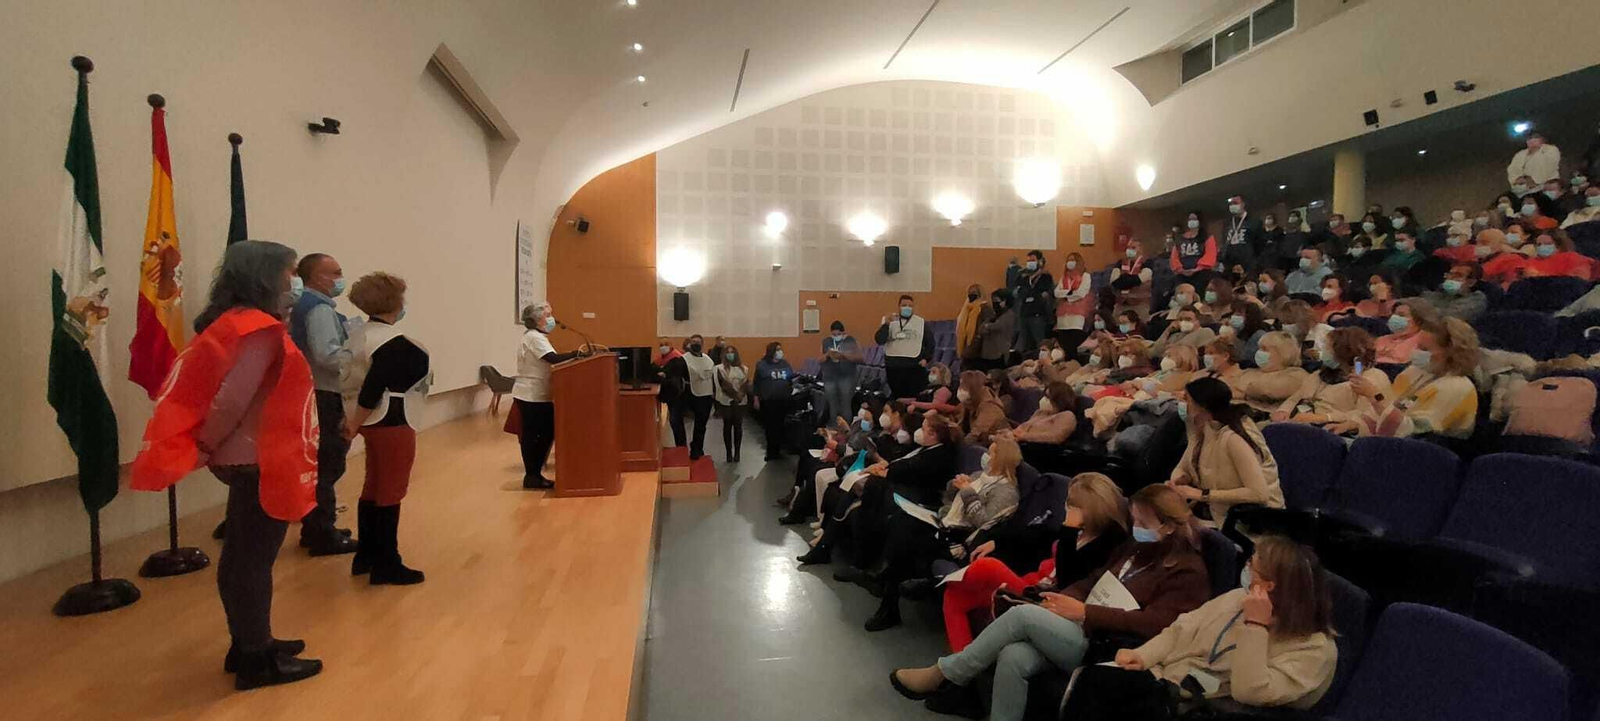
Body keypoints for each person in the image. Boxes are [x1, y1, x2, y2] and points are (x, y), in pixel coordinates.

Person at [132, 240, 322, 689]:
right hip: (256, 457)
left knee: (242, 555)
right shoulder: (256, 329)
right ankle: (256, 658)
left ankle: (250, 642)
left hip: (246, 454)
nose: (293, 281)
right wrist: (204, 444)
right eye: (289, 271)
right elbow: (230, 400)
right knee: (252, 561)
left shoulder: (232, 322)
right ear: (265, 275)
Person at [889, 485, 1211, 721]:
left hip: (1119, 648)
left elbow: (1157, 624)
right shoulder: (1136, 548)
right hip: (1086, 627)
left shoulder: (1187, 572)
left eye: (1143, 523)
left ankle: (945, 673)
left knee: (1022, 617)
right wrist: (1068, 598)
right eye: (1135, 520)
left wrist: (1085, 611)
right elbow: (1095, 578)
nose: (1136, 528)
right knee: (1014, 655)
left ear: (1168, 527)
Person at [1070, 537, 1338, 719]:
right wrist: (1144, 655)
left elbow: (1250, 691)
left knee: (1100, 690)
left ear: (1270, 587)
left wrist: (1256, 625)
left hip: (1208, 707)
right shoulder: (1236, 598)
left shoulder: (1313, 649)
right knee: (1092, 680)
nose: (1245, 569)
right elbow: (1182, 628)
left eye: (1251, 567)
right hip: (1166, 681)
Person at [941, 473, 1130, 652]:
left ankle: (935, 582)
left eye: (1071, 504)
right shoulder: (1081, 530)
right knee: (954, 596)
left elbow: (1068, 578)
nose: (1065, 507)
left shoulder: (1108, 542)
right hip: (1034, 585)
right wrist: (997, 542)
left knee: (988, 566)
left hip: (1049, 598)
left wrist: (1069, 529)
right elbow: (1037, 535)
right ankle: (960, 666)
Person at [865, 436, 1024, 631]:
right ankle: (889, 587)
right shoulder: (979, 475)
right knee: (901, 520)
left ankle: (888, 598)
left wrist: (966, 492)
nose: (985, 457)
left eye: (990, 453)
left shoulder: (1007, 492)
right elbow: (948, 501)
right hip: (946, 521)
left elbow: (982, 522)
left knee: (908, 538)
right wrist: (954, 486)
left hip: (962, 538)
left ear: (1001, 459)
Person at [341, 272, 430, 586]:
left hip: (371, 420)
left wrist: (355, 422)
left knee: (374, 486)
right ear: (395, 301)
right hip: (394, 419)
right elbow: (374, 388)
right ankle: (387, 563)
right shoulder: (394, 342)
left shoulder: (359, 334)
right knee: (391, 490)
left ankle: (365, 555)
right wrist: (354, 424)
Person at [285, 252, 357, 556]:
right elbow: (327, 355)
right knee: (327, 464)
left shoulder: (301, 306)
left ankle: (317, 526)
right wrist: (359, 358)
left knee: (320, 464)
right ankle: (321, 532)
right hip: (324, 394)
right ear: (317, 277)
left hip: (311, 393)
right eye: (336, 273)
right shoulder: (319, 310)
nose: (341, 278)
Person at [1336, 316, 1479, 439]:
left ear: (1451, 352)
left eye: (1425, 349)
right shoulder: (1415, 372)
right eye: (1418, 346)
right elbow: (1386, 411)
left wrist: (1374, 395)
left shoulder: (1458, 388)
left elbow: (1409, 432)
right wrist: (1355, 426)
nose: (1415, 352)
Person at [1168, 376, 1283, 527]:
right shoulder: (1202, 429)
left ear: (1201, 406)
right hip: (1221, 515)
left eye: (1186, 399)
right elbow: (1183, 466)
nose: (1182, 404)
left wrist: (1202, 495)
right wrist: (1177, 481)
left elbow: (1259, 494)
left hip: (1253, 522)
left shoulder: (1234, 438)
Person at [513, 303, 585, 490]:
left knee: (543, 433)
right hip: (531, 394)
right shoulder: (535, 338)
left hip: (537, 394)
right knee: (537, 435)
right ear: (537, 319)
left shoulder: (537, 337)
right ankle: (532, 476)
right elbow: (552, 358)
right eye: (548, 315)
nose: (552, 319)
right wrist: (576, 354)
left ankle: (534, 475)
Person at [1274, 327, 1391, 429]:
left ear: (1344, 351)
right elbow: (1296, 398)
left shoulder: (1372, 377)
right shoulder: (1320, 374)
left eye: (1327, 348)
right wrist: (1283, 411)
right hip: (1300, 422)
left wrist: (1324, 418)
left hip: (1332, 429)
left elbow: (1367, 414)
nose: (1323, 352)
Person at [876, 294, 935, 399]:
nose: (907, 307)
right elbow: (879, 340)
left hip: (913, 366)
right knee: (898, 398)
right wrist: (886, 325)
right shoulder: (889, 321)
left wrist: (926, 358)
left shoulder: (920, 323)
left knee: (913, 397)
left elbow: (930, 342)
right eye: (904, 305)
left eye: (910, 305)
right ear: (899, 306)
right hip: (893, 367)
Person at [1234, 332, 1308, 414]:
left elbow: (1266, 391)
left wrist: (1243, 390)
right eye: (1259, 348)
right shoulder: (1252, 371)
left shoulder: (1296, 374)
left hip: (1264, 418)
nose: (1259, 352)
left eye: (1264, 349)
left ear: (1282, 352)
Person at [754, 342, 795, 460]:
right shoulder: (762, 365)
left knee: (781, 426)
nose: (779, 352)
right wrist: (756, 399)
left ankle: (778, 450)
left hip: (783, 399)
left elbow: (790, 378)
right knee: (770, 427)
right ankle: (770, 451)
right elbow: (756, 383)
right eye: (777, 350)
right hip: (769, 400)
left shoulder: (785, 363)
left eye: (780, 349)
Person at [679, 334, 717, 459]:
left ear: (702, 344)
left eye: (698, 342)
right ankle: (683, 449)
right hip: (691, 394)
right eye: (693, 342)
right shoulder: (684, 359)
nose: (695, 344)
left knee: (701, 425)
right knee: (687, 424)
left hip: (706, 394)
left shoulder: (708, 359)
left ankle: (697, 448)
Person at [819, 320, 863, 424]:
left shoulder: (851, 341)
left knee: (845, 404)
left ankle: (846, 428)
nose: (836, 336)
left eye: (839, 334)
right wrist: (827, 355)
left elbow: (860, 358)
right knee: (833, 404)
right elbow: (819, 359)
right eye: (834, 334)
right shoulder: (826, 341)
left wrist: (845, 356)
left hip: (847, 376)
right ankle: (835, 427)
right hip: (830, 377)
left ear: (843, 333)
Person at [1013, 250, 1057, 354]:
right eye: (1028, 260)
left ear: (1040, 261)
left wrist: (1030, 291)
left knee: (1039, 343)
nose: (1030, 263)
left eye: (1033, 260)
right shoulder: (1022, 275)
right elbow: (1019, 292)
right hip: (1024, 314)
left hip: (1038, 315)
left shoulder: (1046, 277)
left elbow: (1044, 294)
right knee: (1023, 345)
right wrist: (1032, 278)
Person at [714, 344, 750, 463]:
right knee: (727, 426)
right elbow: (723, 384)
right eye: (728, 352)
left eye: (732, 352)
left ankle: (737, 452)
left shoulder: (744, 368)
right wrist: (735, 395)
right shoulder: (719, 368)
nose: (730, 354)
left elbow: (745, 383)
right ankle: (729, 452)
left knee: (738, 427)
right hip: (726, 401)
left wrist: (740, 395)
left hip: (740, 401)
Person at [1012, 381, 1079, 445]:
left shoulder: (1067, 415)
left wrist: (1025, 436)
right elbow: (1025, 426)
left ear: (1058, 400)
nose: (1043, 399)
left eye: (1047, 397)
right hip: (1019, 442)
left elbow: (1055, 437)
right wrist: (1015, 433)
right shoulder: (1040, 412)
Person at [956, 370, 1012, 445]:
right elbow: (960, 424)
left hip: (998, 447)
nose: (960, 389)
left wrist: (957, 446)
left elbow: (976, 434)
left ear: (973, 388)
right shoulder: (969, 403)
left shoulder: (989, 407)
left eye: (963, 386)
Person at [1421, 264, 1489, 323]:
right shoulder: (1435, 294)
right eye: (1449, 274)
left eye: (1458, 276)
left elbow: (1450, 317)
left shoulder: (1476, 300)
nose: (1450, 278)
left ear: (1471, 282)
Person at [1054, 252, 1094, 353]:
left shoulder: (1085, 276)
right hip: (1063, 315)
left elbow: (1081, 293)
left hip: (1077, 313)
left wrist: (1066, 296)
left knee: (1074, 339)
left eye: (1072, 260)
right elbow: (1056, 292)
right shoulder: (1064, 277)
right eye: (1068, 260)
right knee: (1063, 340)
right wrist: (1070, 293)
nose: (1069, 262)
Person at [970, 288, 1017, 372]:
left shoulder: (1009, 314)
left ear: (1004, 301)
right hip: (987, 354)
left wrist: (987, 326)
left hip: (1000, 354)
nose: (994, 303)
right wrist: (987, 326)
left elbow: (997, 326)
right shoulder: (993, 315)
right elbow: (981, 329)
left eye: (997, 300)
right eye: (993, 300)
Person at [1374, 300, 1434, 365]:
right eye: (1394, 314)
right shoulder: (1383, 339)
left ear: (1418, 320)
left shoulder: (1425, 346)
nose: (1394, 318)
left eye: (1401, 315)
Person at [1170, 210, 1219, 290]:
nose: (1191, 221)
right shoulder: (1181, 239)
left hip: (1201, 274)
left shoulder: (1207, 237)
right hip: (1182, 275)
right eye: (1190, 219)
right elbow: (1174, 256)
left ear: (1200, 221)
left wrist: (1197, 268)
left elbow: (1210, 255)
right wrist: (1180, 269)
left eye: (1194, 219)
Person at [1523, 229, 1595, 281]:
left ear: (1559, 245)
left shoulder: (1572, 257)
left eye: (1547, 244)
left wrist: (1541, 276)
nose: (1542, 247)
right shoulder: (1531, 261)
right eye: (1538, 244)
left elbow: (1578, 280)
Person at [1150, 305, 1216, 359]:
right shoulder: (1174, 336)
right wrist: (1167, 331)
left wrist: (1171, 347)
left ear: (1197, 321)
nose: (1183, 322)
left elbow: (1198, 352)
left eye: (1188, 319)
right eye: (1180, 319)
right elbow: (1156, 352)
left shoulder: (1205, 331)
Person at [1110, 241, 1156, 314]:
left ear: (1141, 249)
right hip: (1121, 304)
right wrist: (1130, 280)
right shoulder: (1120, 263)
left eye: (1133, 248)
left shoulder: (1148, 263)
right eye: (1128, 248)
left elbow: (1139, 280)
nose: (1130, 250)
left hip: (1140, 305)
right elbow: (1115, 282)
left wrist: (1124, 278)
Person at [1221, 195, 1264, 273]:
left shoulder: (1254, 222)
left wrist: (1250, 264)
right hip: (1231, 267)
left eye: (1235, 203)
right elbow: (1225, 244)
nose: (1232, 206)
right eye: (1231, 204)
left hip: (1249, 266)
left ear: (1243, 204)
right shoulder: (1227, 223)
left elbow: (1259, 246)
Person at [955, 283, 990, 363]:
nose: (971, 296)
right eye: (970, 293)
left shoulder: (985, 308)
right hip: (966, 350)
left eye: (974, 293)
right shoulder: (966, 310)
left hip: (978, 351)